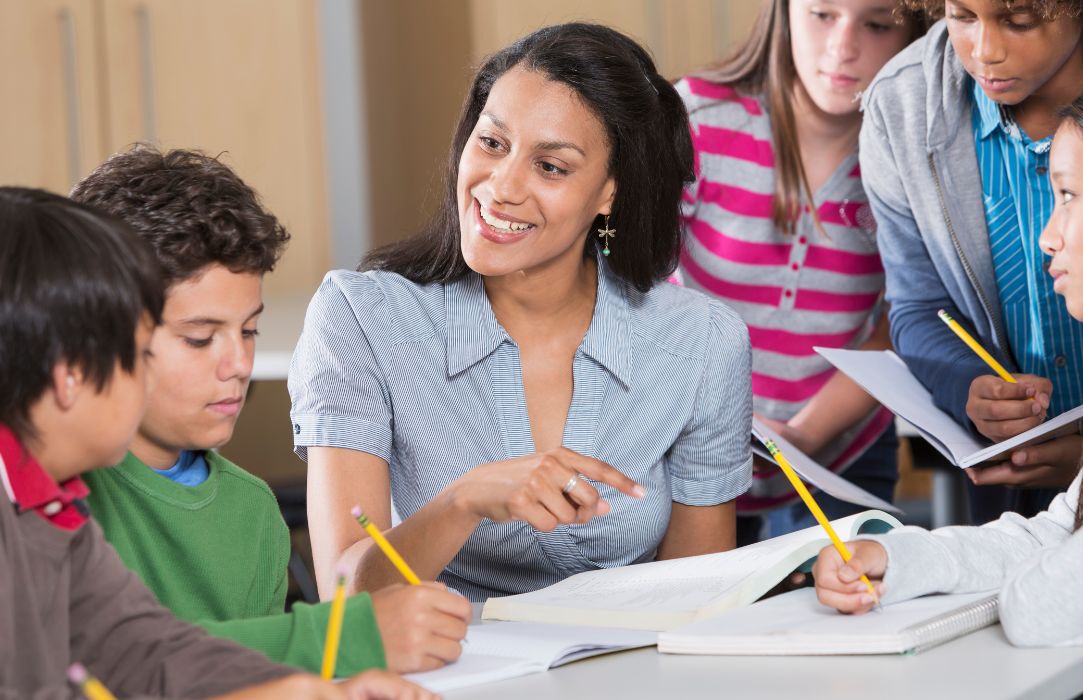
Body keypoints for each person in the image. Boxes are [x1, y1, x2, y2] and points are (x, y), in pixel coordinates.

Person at [290, 23, 753, 602]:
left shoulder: (700, 342)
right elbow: (343, 595)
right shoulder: (362, 318)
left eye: (551, 167)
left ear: (611, 192)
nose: (501, 186)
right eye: (492, 143)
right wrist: (464, 501)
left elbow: (697, 597)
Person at [813, 58, 1083, 700]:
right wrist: (900, 561)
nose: (1048, 237)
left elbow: (1047, 604)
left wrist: (1013, 581)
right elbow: (1057, 537)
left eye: (1069, 195)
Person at [0, 186, 433, 699]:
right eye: (139, 352)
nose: (238, 366)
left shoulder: (52, 503)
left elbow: (140, 652)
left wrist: (301, 693)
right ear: (70, 374)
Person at [71, 146, 471, 675]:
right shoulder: (51, 492)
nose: (238, 363)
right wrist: (334, 641)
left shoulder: (252, 513)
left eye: (249, 330)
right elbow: (95, 659)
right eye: (199, 339)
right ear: (99, 330)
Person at [863, 0, 1083, 522]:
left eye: (1019, 21)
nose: (984, 51)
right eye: (962, 16)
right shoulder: (899, 110)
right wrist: (969, 385)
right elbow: (919, 305)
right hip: (1022, 508)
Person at [674, 0, 926, 543]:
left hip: (843, 446)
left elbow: (902, 321)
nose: (843, 48)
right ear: (783, 12)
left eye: (877, 25)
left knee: (842, 610)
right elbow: (631, 294)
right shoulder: (697, 120)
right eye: (822, 15)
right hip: (685, 440)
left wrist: (805, 435)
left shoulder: (917, 154)